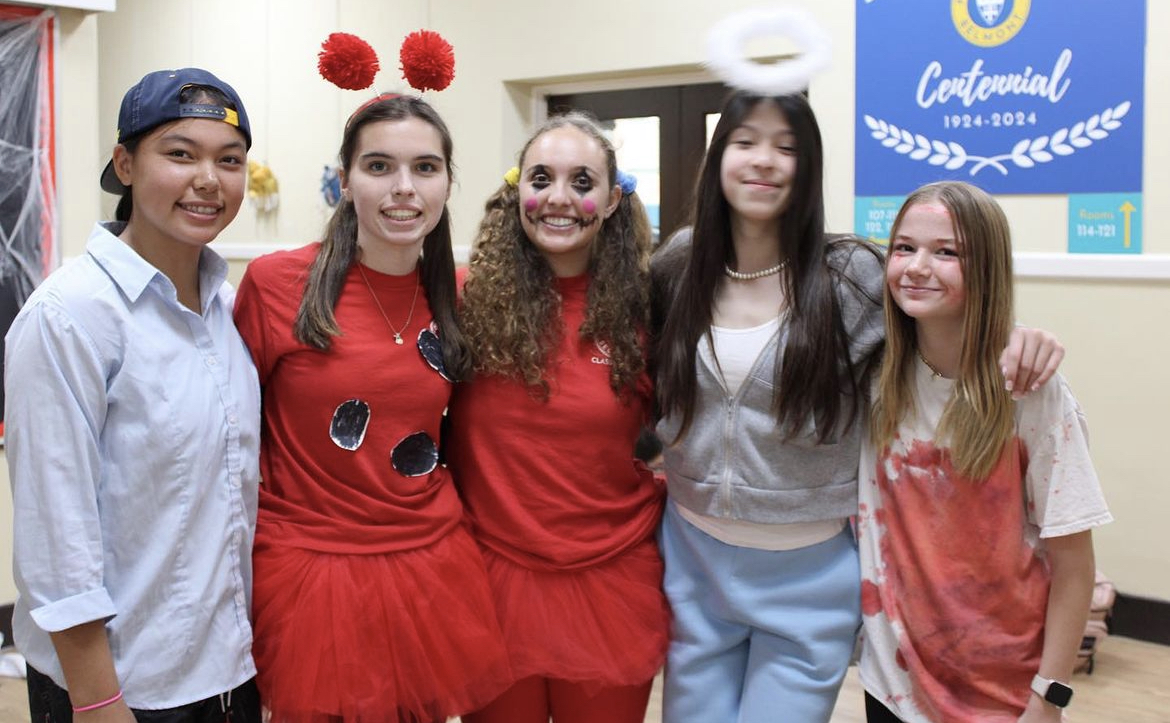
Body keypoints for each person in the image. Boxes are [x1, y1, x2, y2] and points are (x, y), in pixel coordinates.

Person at [651, 91, 1065, 723]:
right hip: (693, 556)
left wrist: (1014, 337)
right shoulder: (678, 265)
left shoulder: (849, 273)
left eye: (786, 147)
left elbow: (936, 309)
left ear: (809, 166)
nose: (764, 160)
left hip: (807, 572)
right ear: (717, 158)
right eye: (745, 142)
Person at [232, 94, 510, 723]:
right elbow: (228, 437)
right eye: (379, 167)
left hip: (431, 561)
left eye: (426, 168)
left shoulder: (462, 296)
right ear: (345, 179)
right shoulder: (277, 285)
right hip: (311, 570)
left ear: (447, 183)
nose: (403, 189)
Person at [5, 68, 262, 722]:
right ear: (125, 163)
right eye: (180, 154)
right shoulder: (70, 317)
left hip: (229, 675)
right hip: (121, 692)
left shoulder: (232, 312)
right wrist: (100, 703)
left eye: (229, 160)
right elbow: (56, 543)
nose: (208, 179)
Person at [858, 181, 1111, 723]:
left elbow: (1073, 564)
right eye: (903, 247)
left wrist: (1051, 696)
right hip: (893, 683)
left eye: (946, 252)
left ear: (987, 268)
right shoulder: (873, 374)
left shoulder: (1030, 389)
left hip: (1003, 692)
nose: (917, 266)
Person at [448, 112, 669, 723]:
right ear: (517, 190)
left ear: (614, 199)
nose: (559, 199)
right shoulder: (462, 300)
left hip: (612, 580)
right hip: (488, 583)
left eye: (582, 181)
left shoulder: (650, 311)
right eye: (541, 178)